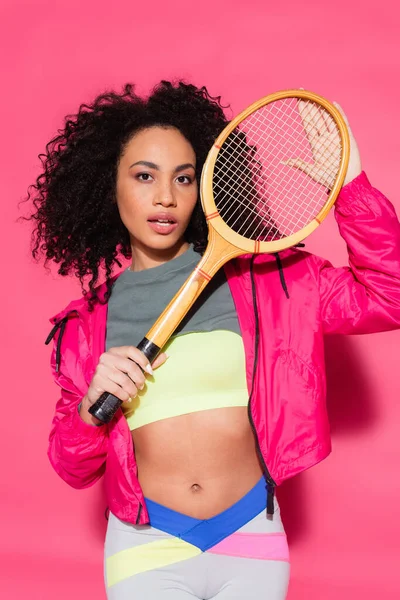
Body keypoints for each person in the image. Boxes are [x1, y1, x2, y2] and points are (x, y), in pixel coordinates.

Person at [28, 81, 400, 600]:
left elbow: (389, 295)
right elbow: (72, 468)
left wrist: (352, 188)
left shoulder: (271, 282)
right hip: (144, 546)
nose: (165, 197)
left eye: (184, 178)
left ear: (205, 188)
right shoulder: (85, 325)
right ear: (108, 186)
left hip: (251, 535)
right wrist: (91, 409)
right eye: (143, 176)